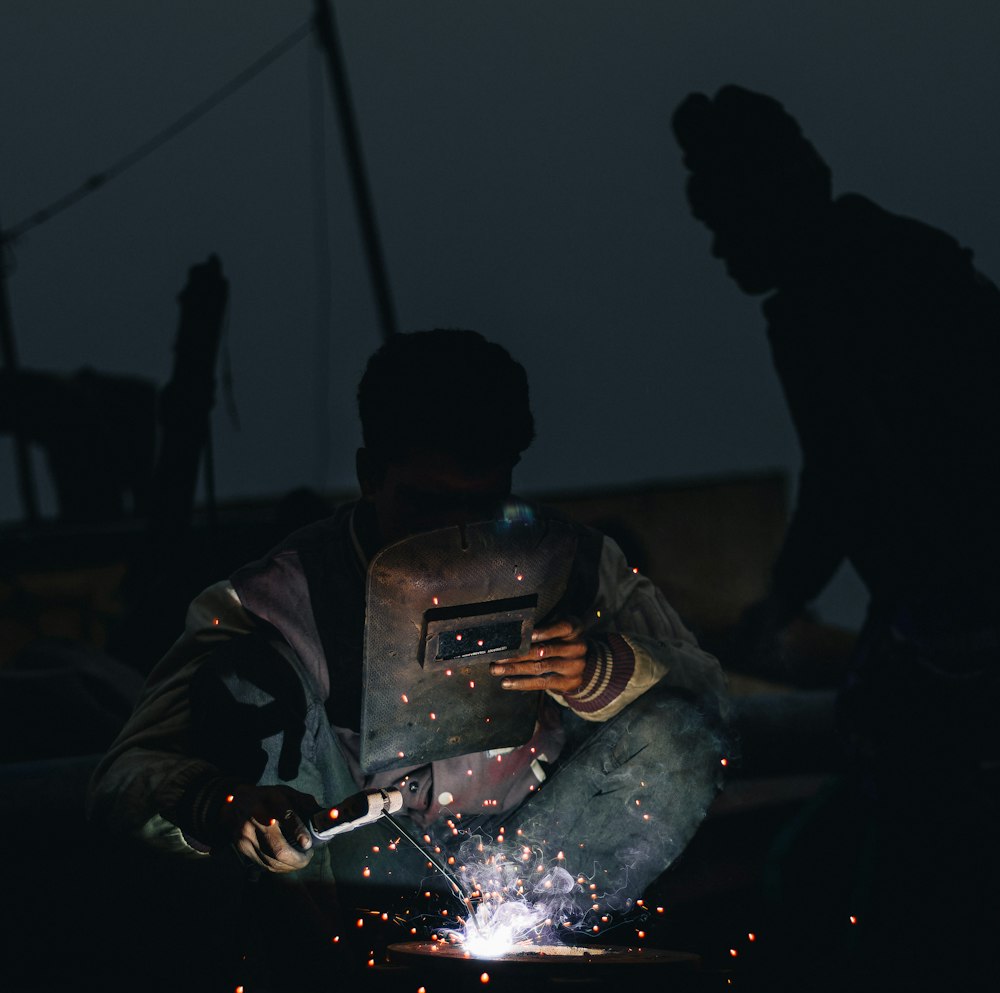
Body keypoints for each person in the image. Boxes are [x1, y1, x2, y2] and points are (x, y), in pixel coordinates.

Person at [88, 330, 726, 946]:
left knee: (676, 733)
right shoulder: (273, 600)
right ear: (370, 476)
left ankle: (560, 944)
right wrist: (220, 805)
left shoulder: (581, 567)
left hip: (530, 865)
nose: (453, 541)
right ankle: (320, 979)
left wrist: (606, 671)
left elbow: (707, 702)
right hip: (355, 872)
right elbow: (124, 776)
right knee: (243, 678)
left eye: (480, 507)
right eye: (426, 506)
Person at [671, 86, 1000, 993]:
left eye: (725, 222)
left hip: (962, 612)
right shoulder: (849, 282)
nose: (719, 248)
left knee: (907, 831)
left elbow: (880, 467)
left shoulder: (876, 283)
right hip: (937, 614)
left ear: (773, 203)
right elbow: (840, 471)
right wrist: (785, 597)